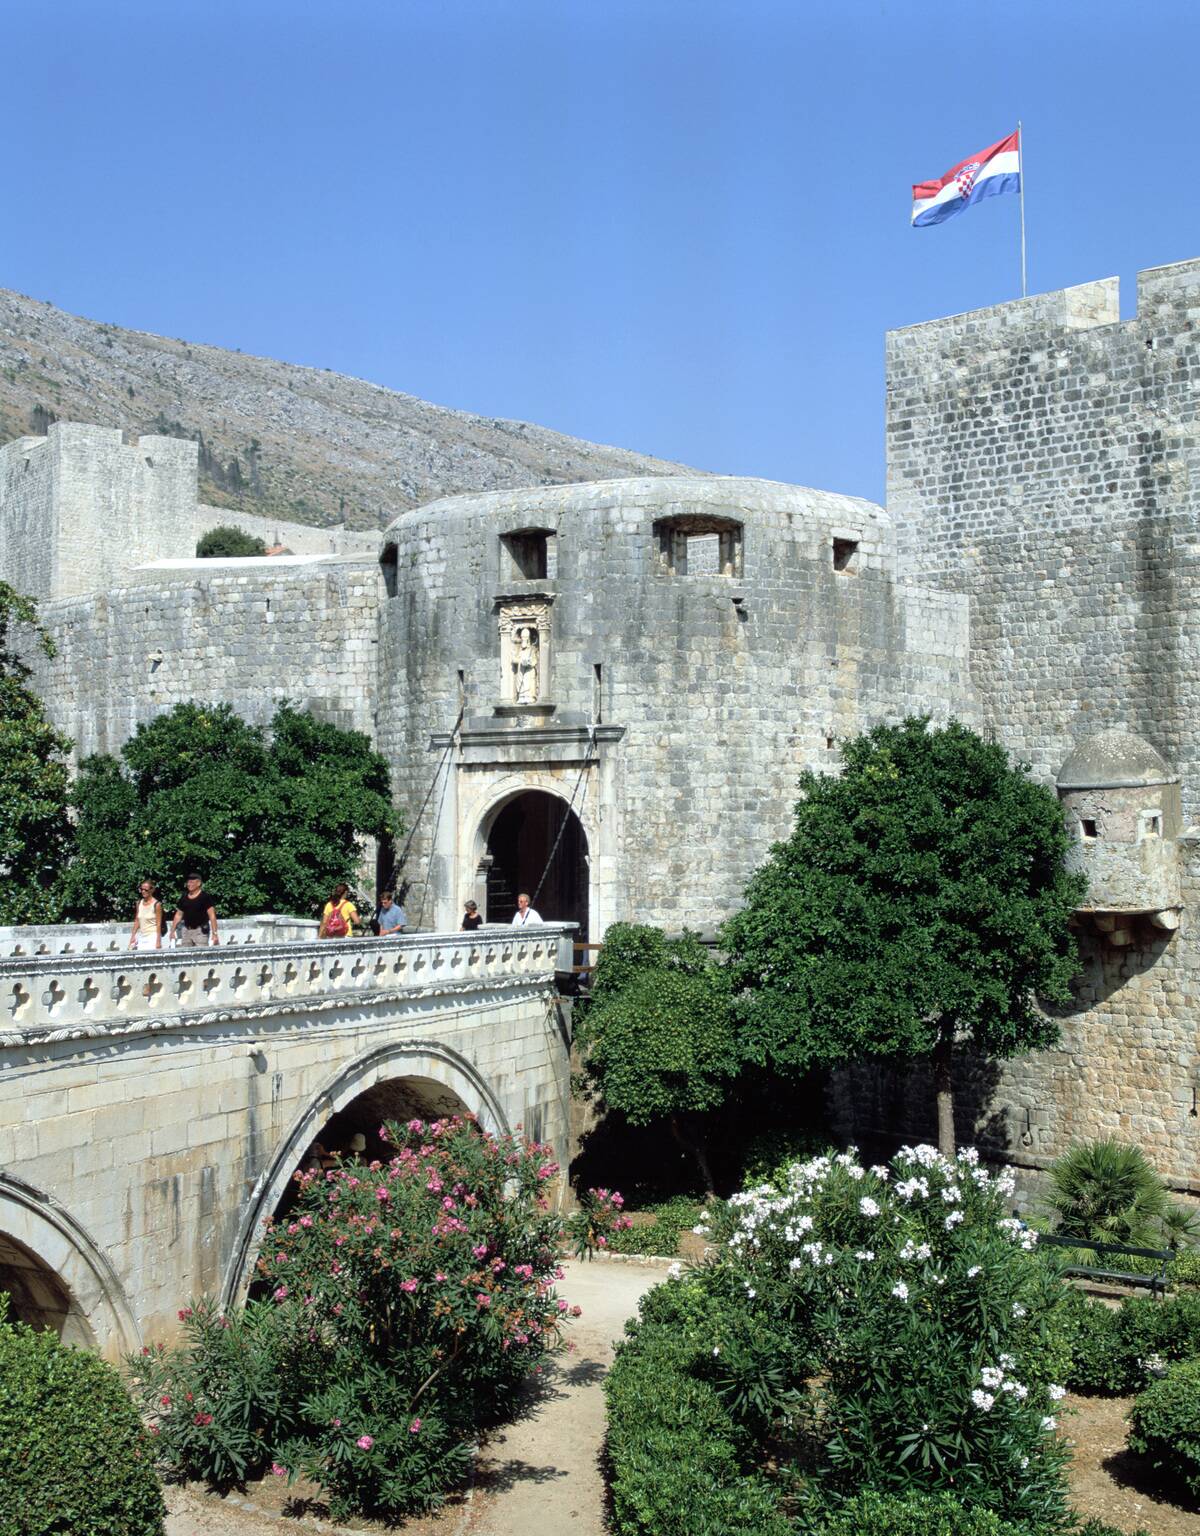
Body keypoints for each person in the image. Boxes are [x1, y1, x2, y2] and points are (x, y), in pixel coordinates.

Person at [170, 874, 219, 947]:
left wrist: (215, 934)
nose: (189, 884)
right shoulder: (184, 897)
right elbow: (178, 915)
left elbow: (212, 916)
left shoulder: (205, 897)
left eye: (191, 882)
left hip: (201, 931)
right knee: (185, 954)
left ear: (198, 883)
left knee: (201, 954)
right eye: (188, 882)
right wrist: (172, 931)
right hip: (186, 930)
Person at [128, 879, 163, 950]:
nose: (143, 891)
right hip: (142, 936)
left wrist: (158, 941)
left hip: (152, 937)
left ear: (151, 890)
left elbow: (159, 924)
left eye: (146, 890)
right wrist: (133, 936)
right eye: (141, 889)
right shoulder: (139, 903)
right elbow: (137, 920)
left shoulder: (157, 905)